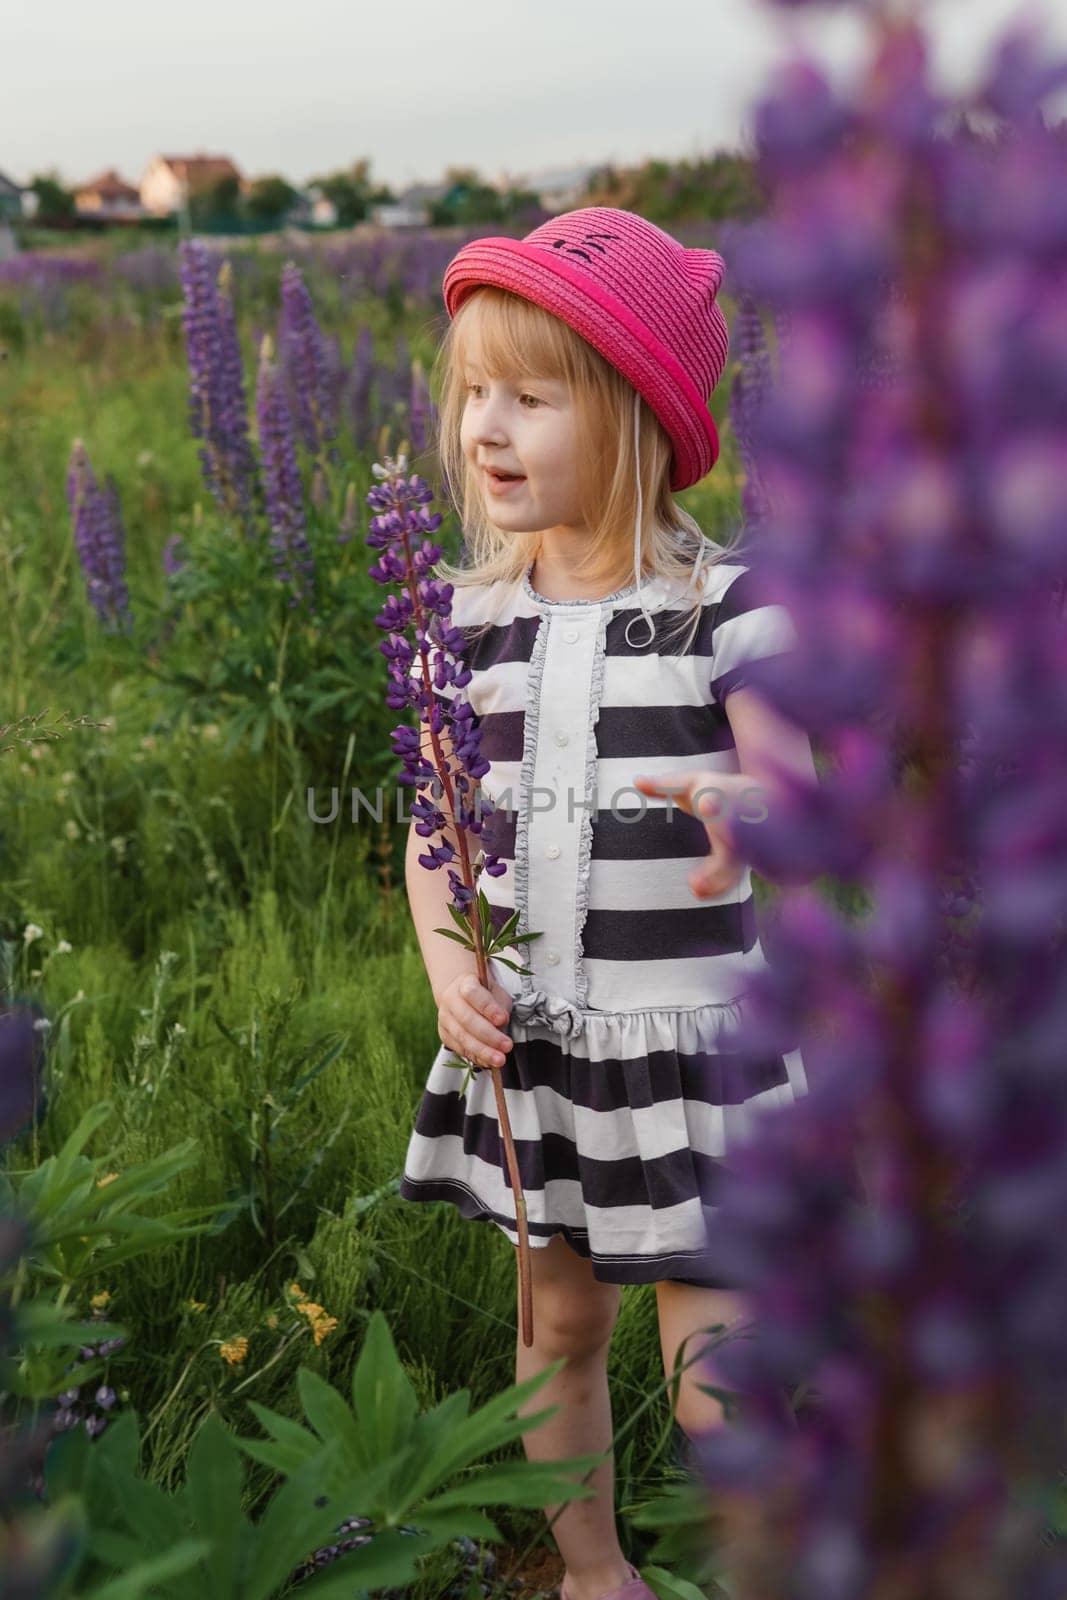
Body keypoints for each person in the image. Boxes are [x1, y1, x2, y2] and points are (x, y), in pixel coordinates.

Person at [400, 206, 817, 1600]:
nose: (484, 428)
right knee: (556, 1325)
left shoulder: (725, 606)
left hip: (697, 1046)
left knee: (717, 1371)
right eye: (471, 394)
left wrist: (739, 814)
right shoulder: (467, 623)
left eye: (529, 395)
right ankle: (590, 1569)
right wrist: (448, 964)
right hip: (543, 1048)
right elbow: (432, 831)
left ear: (638, 414)